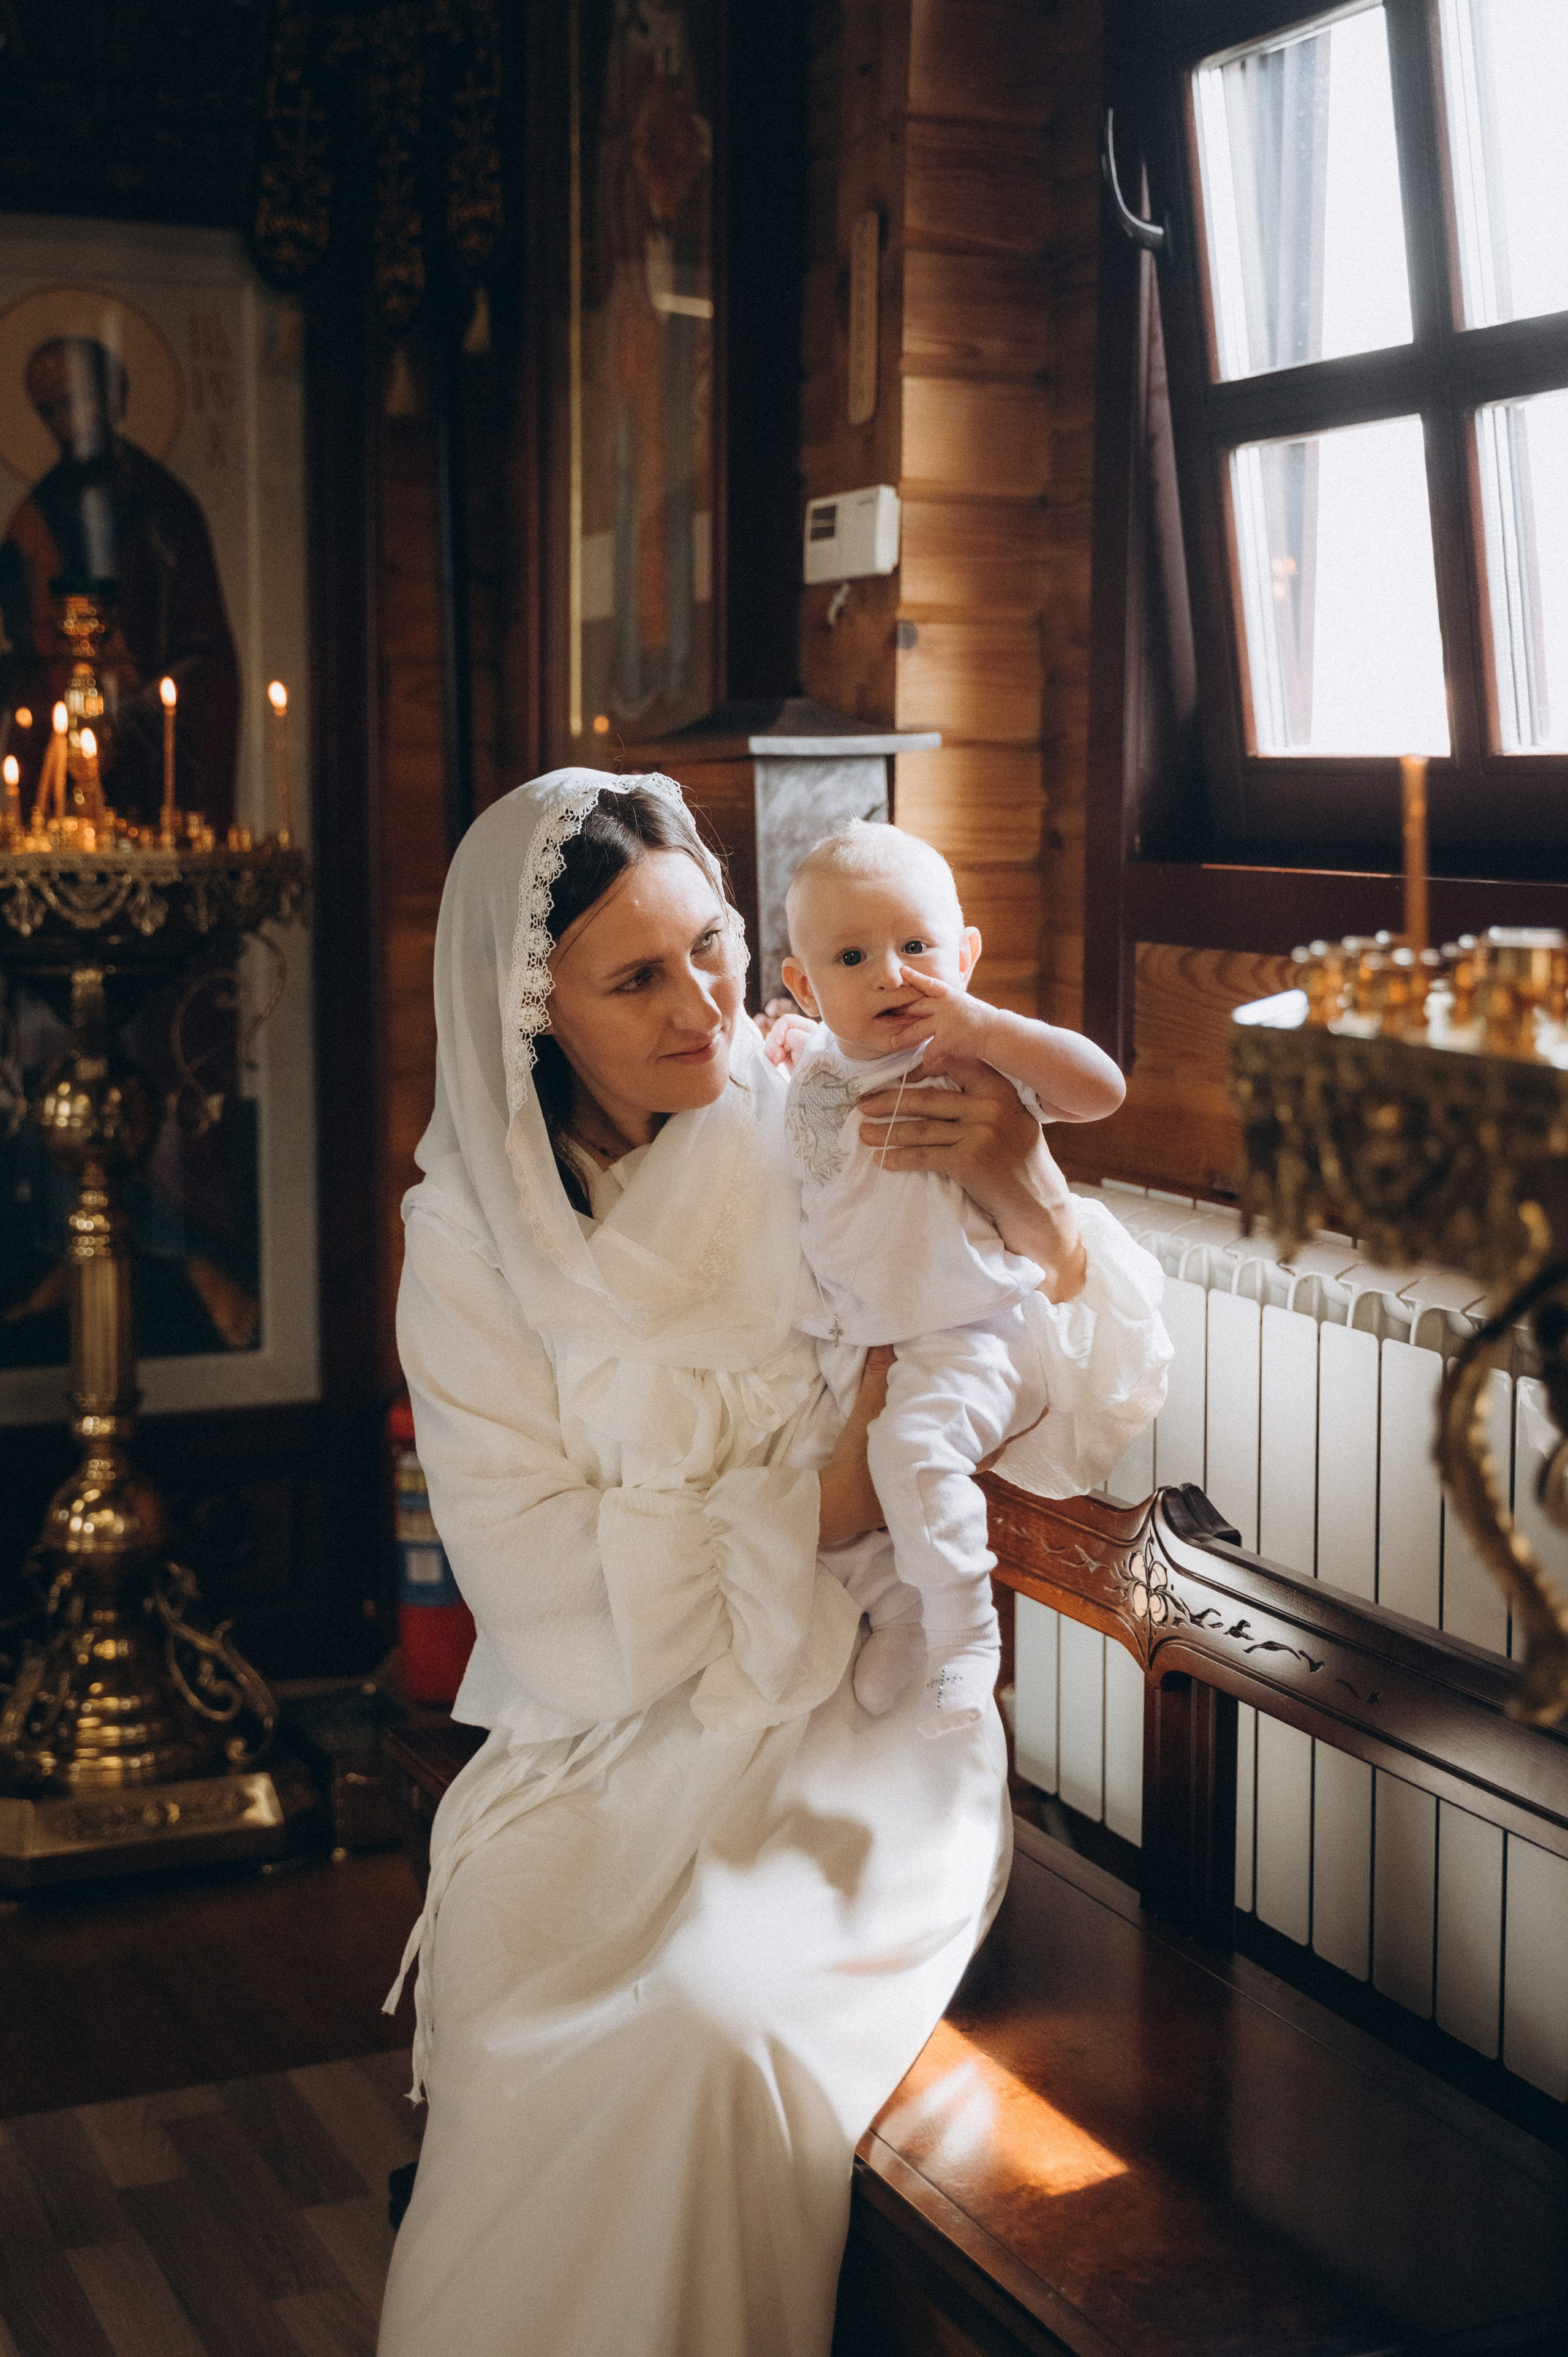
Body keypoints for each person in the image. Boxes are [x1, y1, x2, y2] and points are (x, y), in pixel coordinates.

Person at [377, 769, 1170, 2357]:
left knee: (707, 2029)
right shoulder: (469, 1252)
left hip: (856, 1727)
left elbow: (1086, 1396)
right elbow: (544, 1606)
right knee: (517, 1996)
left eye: (716, 949)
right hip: (603, 1743)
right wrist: (823, 1488)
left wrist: (1020, 1183)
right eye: (637, 979)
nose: (706, 1007)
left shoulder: (823, 1104)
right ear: (534, 1017)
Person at [774, 821, 1134, 1737]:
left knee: (912, 1459)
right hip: (860, 1332)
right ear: (806, 985)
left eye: (918, 945)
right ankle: (900, 1617)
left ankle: (969, 1640)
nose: (893, 973)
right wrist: (787, 1043)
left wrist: (994, 1027)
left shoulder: (971, 1058)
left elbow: (1102, 1093)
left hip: (972, 1328)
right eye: (854, 956)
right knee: (827, 1486)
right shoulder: (812, 1068)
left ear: (965, 954)